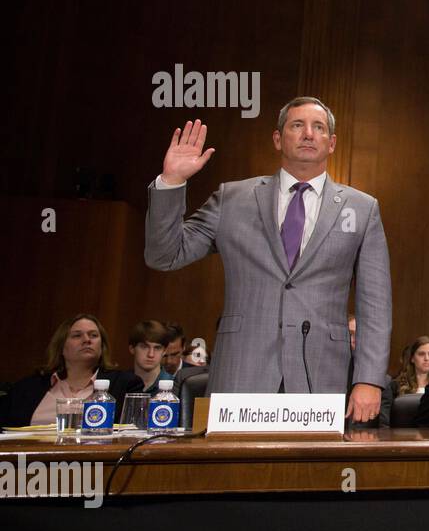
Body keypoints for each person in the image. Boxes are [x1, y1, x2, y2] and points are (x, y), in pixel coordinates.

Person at [144, 104, 392, 422]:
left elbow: (376, 304)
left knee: (312, 472)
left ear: (331, 143)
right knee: (231, 471)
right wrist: (172, 181)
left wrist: (369, 379)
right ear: (277, 139)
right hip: (241, 371)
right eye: (297, 125)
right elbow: (164, 255)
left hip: (321, 372)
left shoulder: (362, 208)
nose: (307, 133)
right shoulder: (232, 199)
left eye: (318, 127)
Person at [1, 315, 143, 427]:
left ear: (102, 346)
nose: (87, 340)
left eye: (93, 335)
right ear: (61, 346)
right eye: (77, 335)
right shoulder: (26, 388)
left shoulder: (125, 385)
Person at [127, 319, 170, 394]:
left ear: (164, 351)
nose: (151, 354)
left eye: (157, 348)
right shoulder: (121, 384)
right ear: (132, 349)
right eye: (144, 347)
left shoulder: (176, 387)